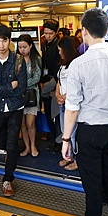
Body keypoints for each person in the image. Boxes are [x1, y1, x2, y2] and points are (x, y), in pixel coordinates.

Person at [61, 8, 108, 216]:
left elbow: (72, 108)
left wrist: (65, 140)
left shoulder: (77, 65)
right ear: (107, 30)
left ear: (84, 31)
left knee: (93, 188)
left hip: (89, 133)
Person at [0, 24, 27, 197]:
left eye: (4, 40)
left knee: (12, 144)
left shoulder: (18, 61)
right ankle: (8, 153)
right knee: (0, 143)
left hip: (16, 108)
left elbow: (21, 88)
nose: (1, 45)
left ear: (9, 41)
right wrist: (10, 86)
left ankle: (8, 179)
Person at [55, 36, 80, 171]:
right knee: (65, 131)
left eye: (60, 50)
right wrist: (58, 95)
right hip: (63, 103)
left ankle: (76, 159)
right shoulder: (63, 65)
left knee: (73, 132)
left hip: (72, 104)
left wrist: (65, 96)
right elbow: (59, 81)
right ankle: (68, 155)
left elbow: (77, 85)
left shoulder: (76, 65)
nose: (59, 53)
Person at [16, 34, 41, 158]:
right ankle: (26, 146)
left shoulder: (36, 59)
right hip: (18, 97)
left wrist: (21, 84)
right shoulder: (15, 60)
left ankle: (33, 146)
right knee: (22, 124)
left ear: (30, 46)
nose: (22, 50)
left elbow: (37, 77)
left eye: (24, 47)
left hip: (31, 95)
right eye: (20, 47)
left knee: (31, 123)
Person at [41, 19, 61, 151]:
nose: (47, 36)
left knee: (56, 116)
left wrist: (54, 88)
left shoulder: (59, 45)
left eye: (50, 33)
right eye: (45, 33)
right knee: (48, 114)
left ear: (56, 33)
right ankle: (54, 140)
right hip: (45, 81)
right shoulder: (44, 44)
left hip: (55, 83)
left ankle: (58, 143)